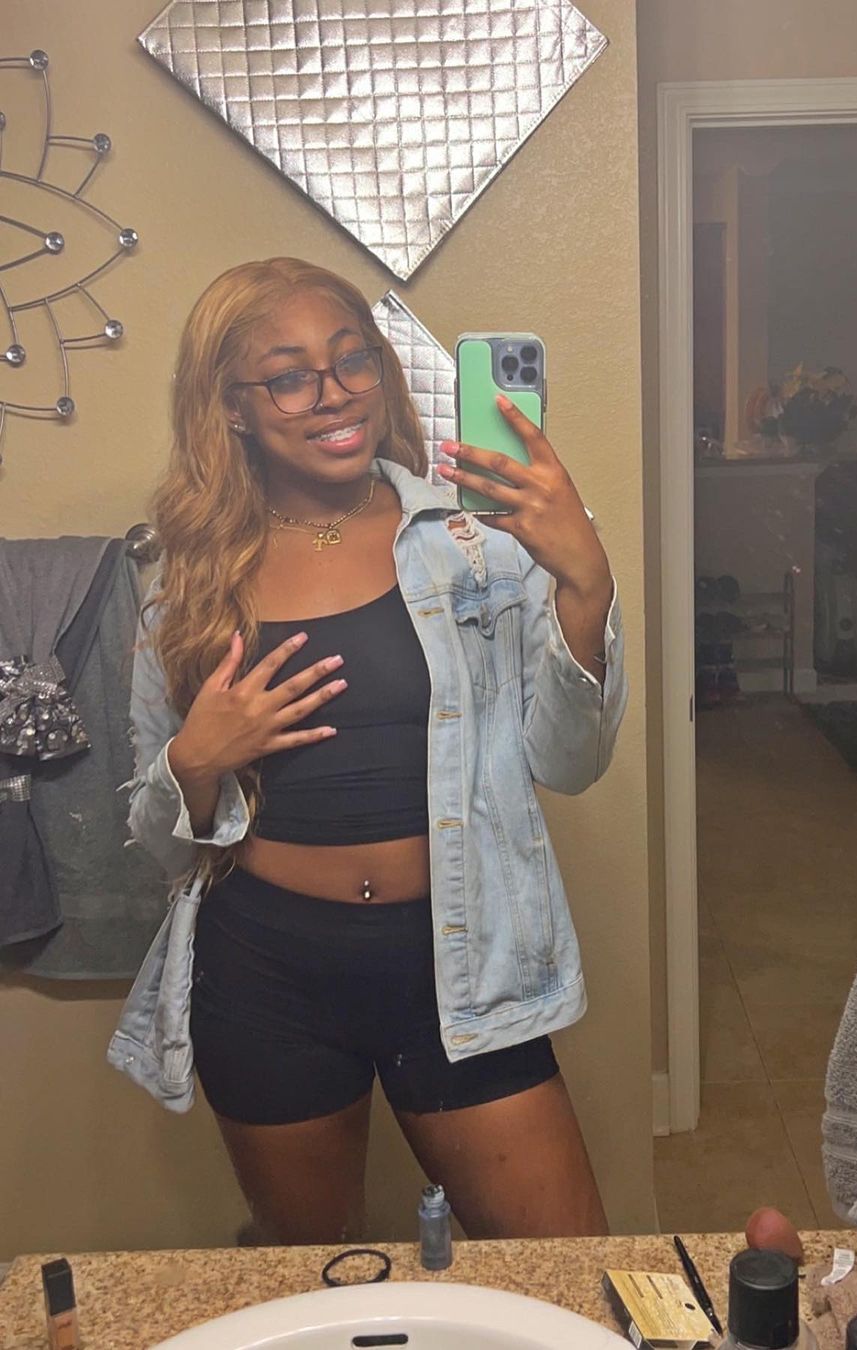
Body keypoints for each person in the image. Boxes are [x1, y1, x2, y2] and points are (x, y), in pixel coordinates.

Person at [108, 257, 627, 1245]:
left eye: (353, 360)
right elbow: (161, 845)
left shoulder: (474, 539)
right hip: (265, 973)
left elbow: (571, 763)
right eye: (289, 377)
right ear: (231, 407)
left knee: (563, 1273)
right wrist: (196, 762)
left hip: (462, 963)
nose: (335, 392)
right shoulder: (187, 581)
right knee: (313, 1275)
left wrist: (585, 588)